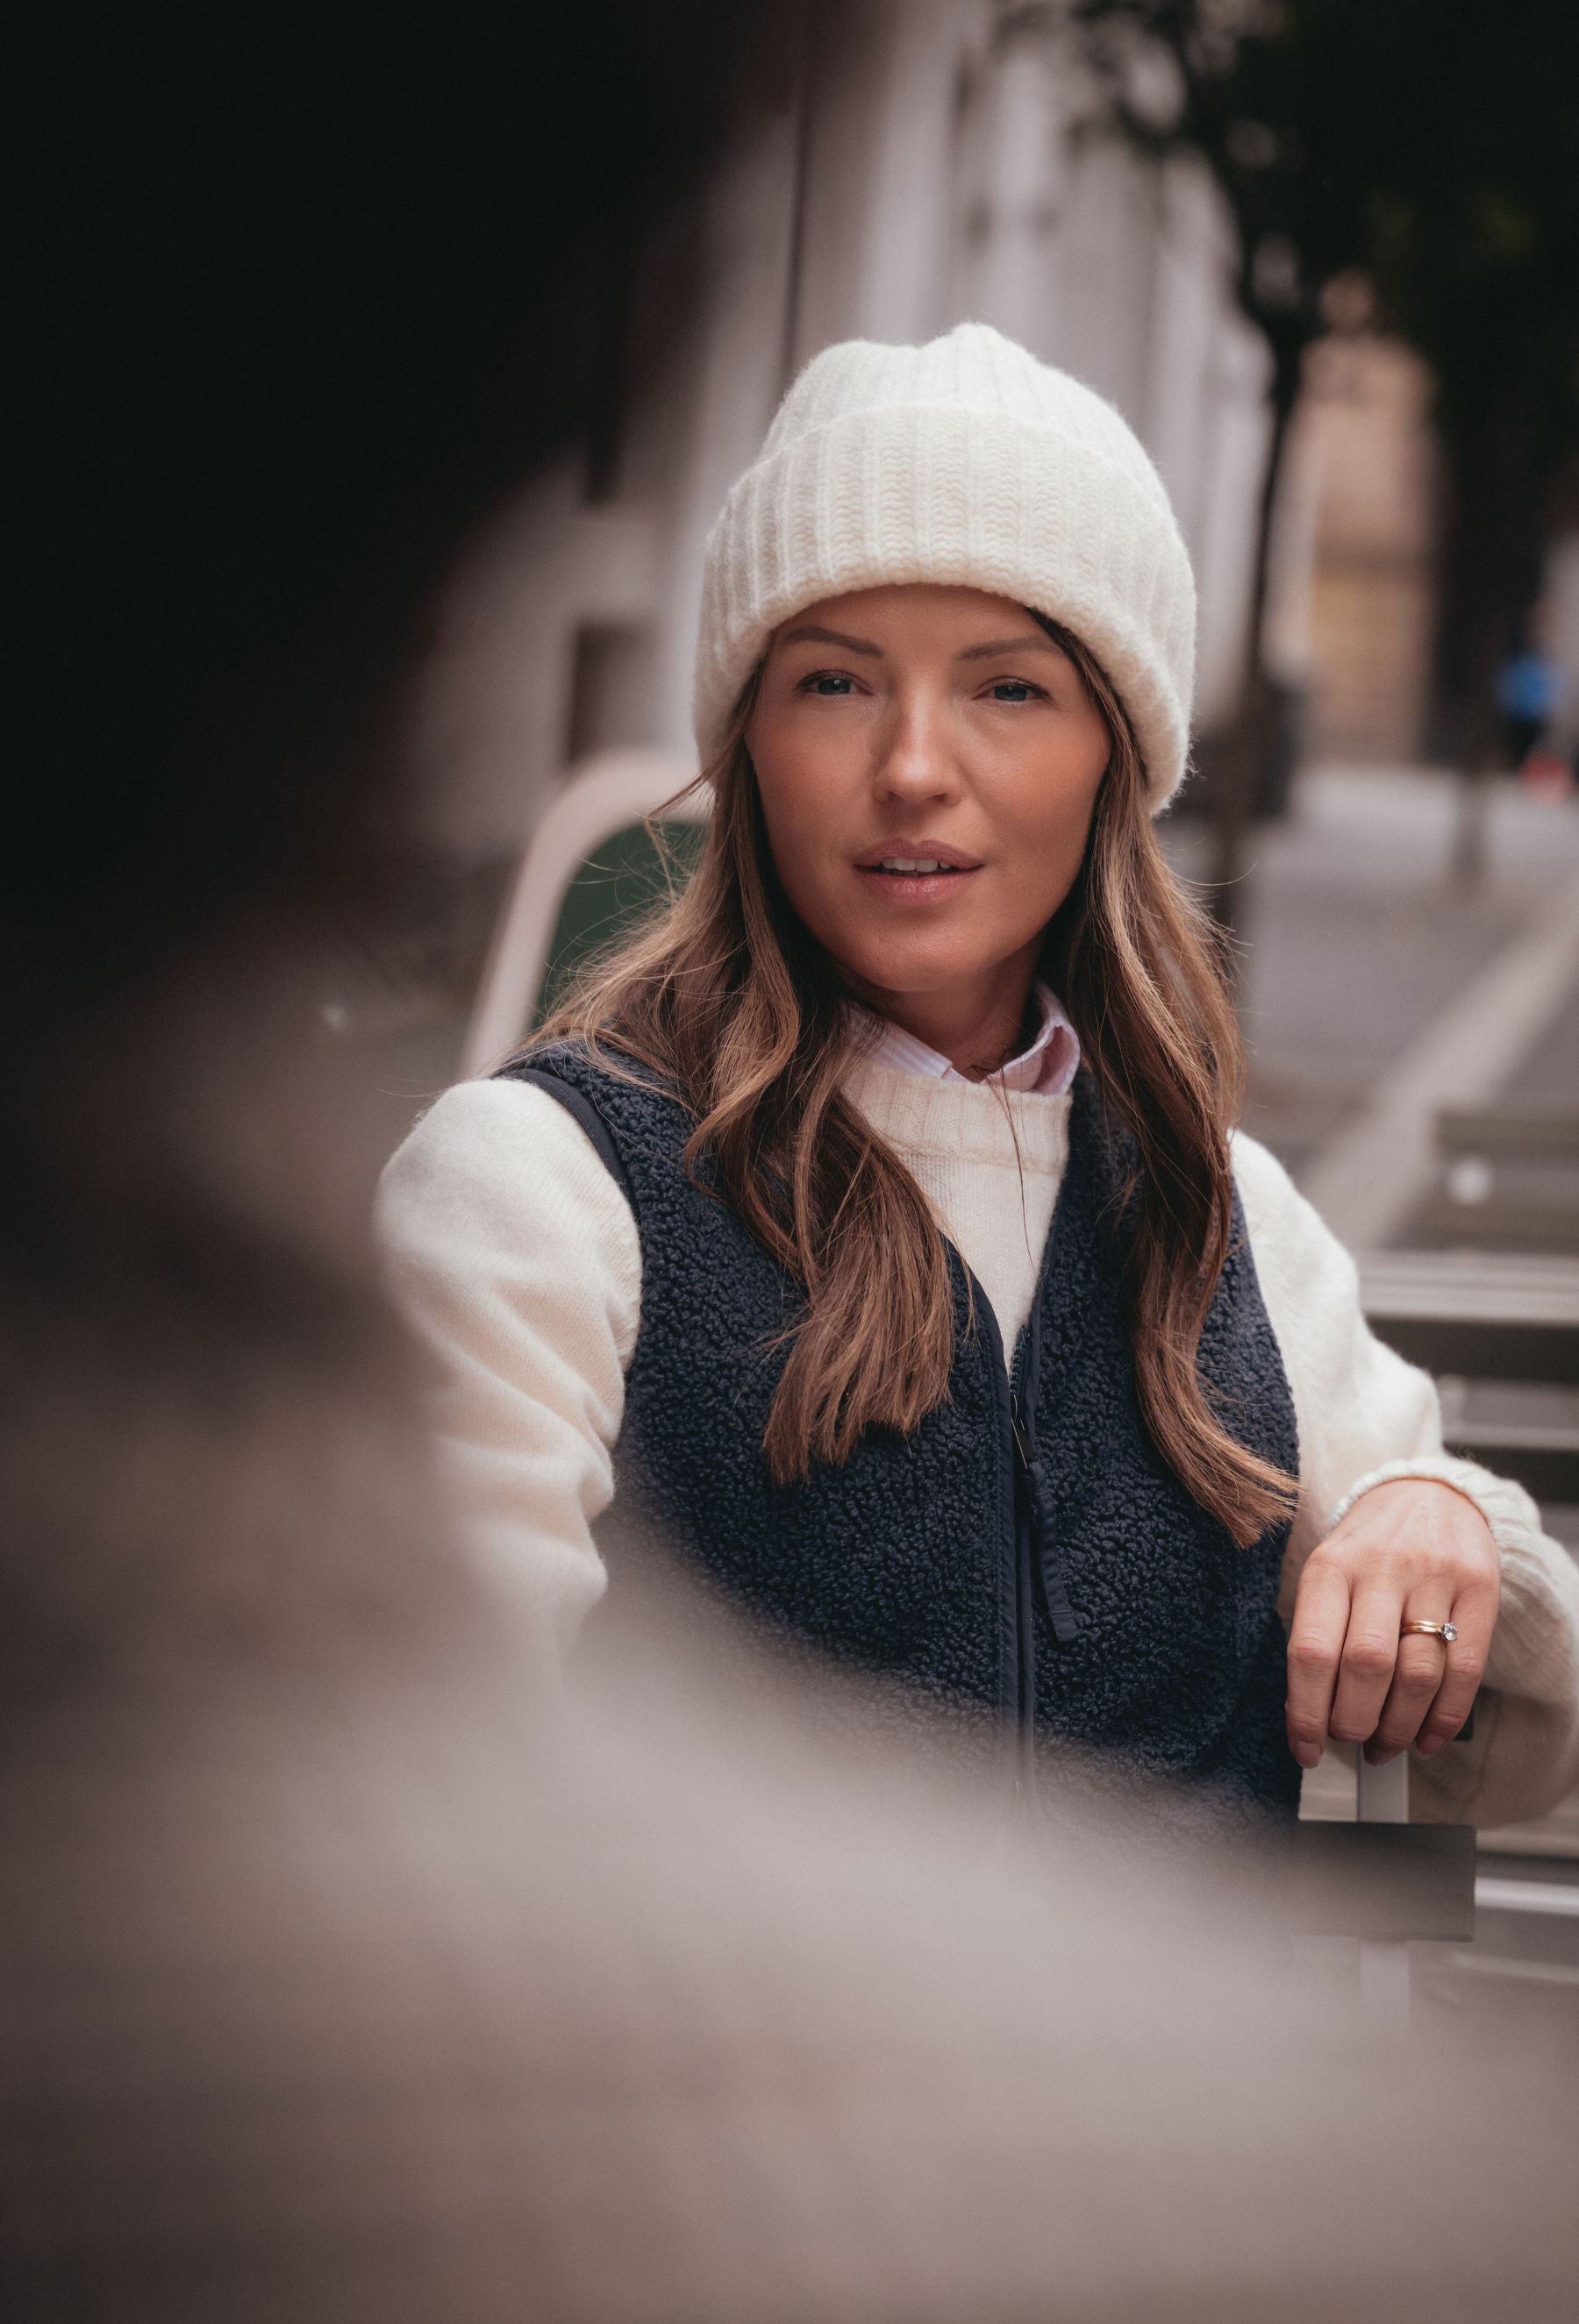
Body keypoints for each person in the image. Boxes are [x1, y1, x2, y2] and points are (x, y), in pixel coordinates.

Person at [379, 323, 1579, 1827]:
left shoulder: (1224, 1216)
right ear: (749, 740)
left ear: (1113, 757)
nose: (911, 766)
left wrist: (1439, 1526)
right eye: (834, 681)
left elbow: (1522, 1750)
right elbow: (420, 1759)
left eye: (1007, 689)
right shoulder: (539, 1184)